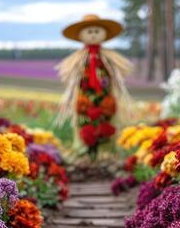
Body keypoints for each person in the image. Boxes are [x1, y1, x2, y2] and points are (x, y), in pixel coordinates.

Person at [56, 14, 132, 157]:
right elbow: (70, 77)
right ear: (81, 35)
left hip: (105, 96)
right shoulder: (78, 59)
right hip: (84, 97)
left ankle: (107, 152)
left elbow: (116, 74)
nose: (93, 35)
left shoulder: (108, 57)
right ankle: (83, 150)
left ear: (103, 34)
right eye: (89, 32)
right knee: (83, 122)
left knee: (107, 120)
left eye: (96, 31)